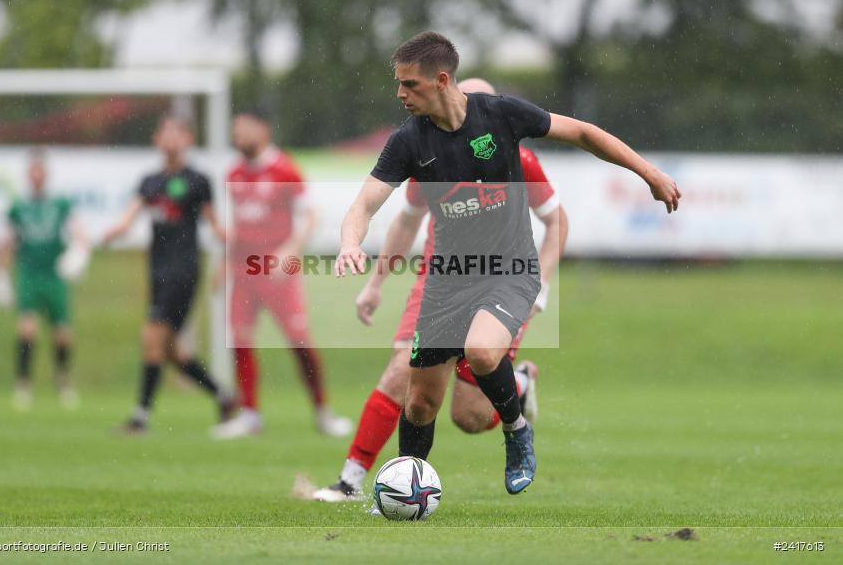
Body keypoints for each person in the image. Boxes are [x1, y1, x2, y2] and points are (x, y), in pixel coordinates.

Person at [335, 32, 680, 495]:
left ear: (441, 80)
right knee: (422, 404)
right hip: (447, 281)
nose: (400, 95)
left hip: (510, 270)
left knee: (480, 352)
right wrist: (350, 245)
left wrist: (649, 173)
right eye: (398, 84)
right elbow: (365, 205)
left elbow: (582, 133)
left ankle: (517, 433)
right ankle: (405, 490)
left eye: (409, 85)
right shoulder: (408, 142)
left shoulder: (500, 114)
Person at [310, 78, 568, 502]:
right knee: (400, 375)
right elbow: (406, 221)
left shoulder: (519, 159)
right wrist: (375, 283)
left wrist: (541, 286)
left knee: (469, 415)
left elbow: (557, 221)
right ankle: (351, 481)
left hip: (500, 283)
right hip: (439, 284)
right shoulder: (426, 152)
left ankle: (516, 386)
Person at [211, 112, 352, 438]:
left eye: (244, 129)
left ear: (264, 129)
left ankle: (322, 411)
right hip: (244, 271)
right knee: (240, 340)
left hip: (279, 273)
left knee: (300, 342)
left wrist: (290, 249)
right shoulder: (232, 173)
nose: (239, 135)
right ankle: (249, 415)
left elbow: (311, 216)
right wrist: (223, 265)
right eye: (235, 130)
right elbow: (235, 226)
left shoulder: (285, 169)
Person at [102, 116, 234, 434]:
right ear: (156, 140)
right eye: (165, 132)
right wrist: (113, 232)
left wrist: (229, 260)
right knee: (170, 349)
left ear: (188, 139)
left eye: (177, 133)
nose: (171, 139)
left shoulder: (198, 180)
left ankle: (140, 417)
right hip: (157, 271)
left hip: (184, 270)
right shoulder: (149, 181)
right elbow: (130, 215)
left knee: (151, 338)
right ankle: (223, 397)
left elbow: (215, 224)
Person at [0, 148, 88, 411]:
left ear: (46, 174)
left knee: (63, 335)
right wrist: (0, 274)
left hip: (55, 275)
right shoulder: (18, 207)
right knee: (27, 328)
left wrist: (79, 254)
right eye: (32, 172)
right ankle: (23, 385)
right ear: (27, 175)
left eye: (40, 171)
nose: (36, 176)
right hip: (29, 273)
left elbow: (81, 234)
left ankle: (63, 382)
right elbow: (7, 242)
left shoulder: (60, 204)